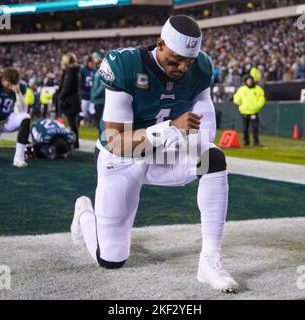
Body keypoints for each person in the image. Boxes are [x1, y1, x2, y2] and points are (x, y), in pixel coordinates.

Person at [70, 15, 239, 293]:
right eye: (175, 60)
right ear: (159, 44)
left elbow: (206, 128)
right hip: (122, 160)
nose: (183, 67)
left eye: (189, 61)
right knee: (110, 259)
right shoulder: (125, 65)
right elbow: (116, 141)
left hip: (165, 154)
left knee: (213, 158)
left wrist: (187, 142)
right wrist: (170, 130)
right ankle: (84, 215)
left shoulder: (200, 68)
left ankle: (209, 260)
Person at [233, 75, 266, 146]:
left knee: (255, 128)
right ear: (246, 81)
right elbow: (236, 97)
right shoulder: (242, 89)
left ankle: (256, 142)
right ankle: (246, 141)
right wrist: (238, 102)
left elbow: (262, 98)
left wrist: (257, 106)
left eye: (251, 80)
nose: (250, 82)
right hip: (244, 111)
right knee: (245, 128)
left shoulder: (258, 89)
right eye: (248, 80)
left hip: (254, 111)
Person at [57, 53, 80, 149]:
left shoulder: (70, 71)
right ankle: (75, 142)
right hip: (73, 98)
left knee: (72, 123)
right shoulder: (73, 70)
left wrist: (60, 97)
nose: (62, 61)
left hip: (70, 100)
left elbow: (67, 86)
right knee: (72, 122)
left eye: (63, 59)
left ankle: (75, 143)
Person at [90, 50, 105, 132]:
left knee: (100, 125)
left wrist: (95, 95)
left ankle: (102, 143)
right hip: (97, 100)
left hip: (101, 101)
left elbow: (103, 85)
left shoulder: (102, 68)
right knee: (98, 124)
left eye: (95, 57)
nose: (93, 59)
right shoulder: (97, 68)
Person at [79, 57, 96, 125]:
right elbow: (80, 81)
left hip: (92, 95)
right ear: (88, 63)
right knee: (83, 112)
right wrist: (83, 88)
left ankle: (93, 123)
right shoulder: (83, 70)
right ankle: (77, 122)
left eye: (93, 63)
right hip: (85, 94)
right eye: (91, 63)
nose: (93, 65)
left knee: (93, 110)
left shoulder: (95, 71)